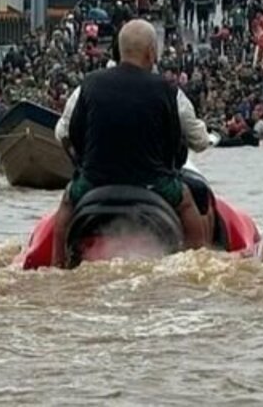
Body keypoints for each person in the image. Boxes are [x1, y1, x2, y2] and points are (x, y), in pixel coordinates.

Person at [51, 19, 212, 268]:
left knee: (66, 203)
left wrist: (80, 164)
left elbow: (63, 132)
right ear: (151, 52)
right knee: (187, 200)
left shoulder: (88, 85)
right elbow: (200, 142)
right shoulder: (169, 91)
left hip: (95, 182)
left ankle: (56, 267)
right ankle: (200, 265)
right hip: (154, 184)